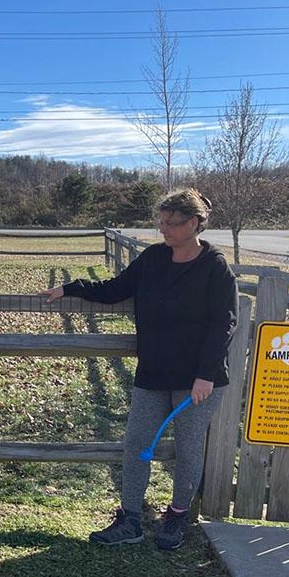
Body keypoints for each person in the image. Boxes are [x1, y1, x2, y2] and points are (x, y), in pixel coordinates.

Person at [38, 188, 237, 551]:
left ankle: (176, 517)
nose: (163, 229)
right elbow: (116, 288)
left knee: (189, 449)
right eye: (160, 222)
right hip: (154, 372)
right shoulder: (154, 258)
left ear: (194, 224)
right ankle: (130, 518)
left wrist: (206, 374)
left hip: (199, 380)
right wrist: (71, 287)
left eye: (171, 223)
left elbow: (223, 324)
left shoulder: (215, 267)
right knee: (136, 444)